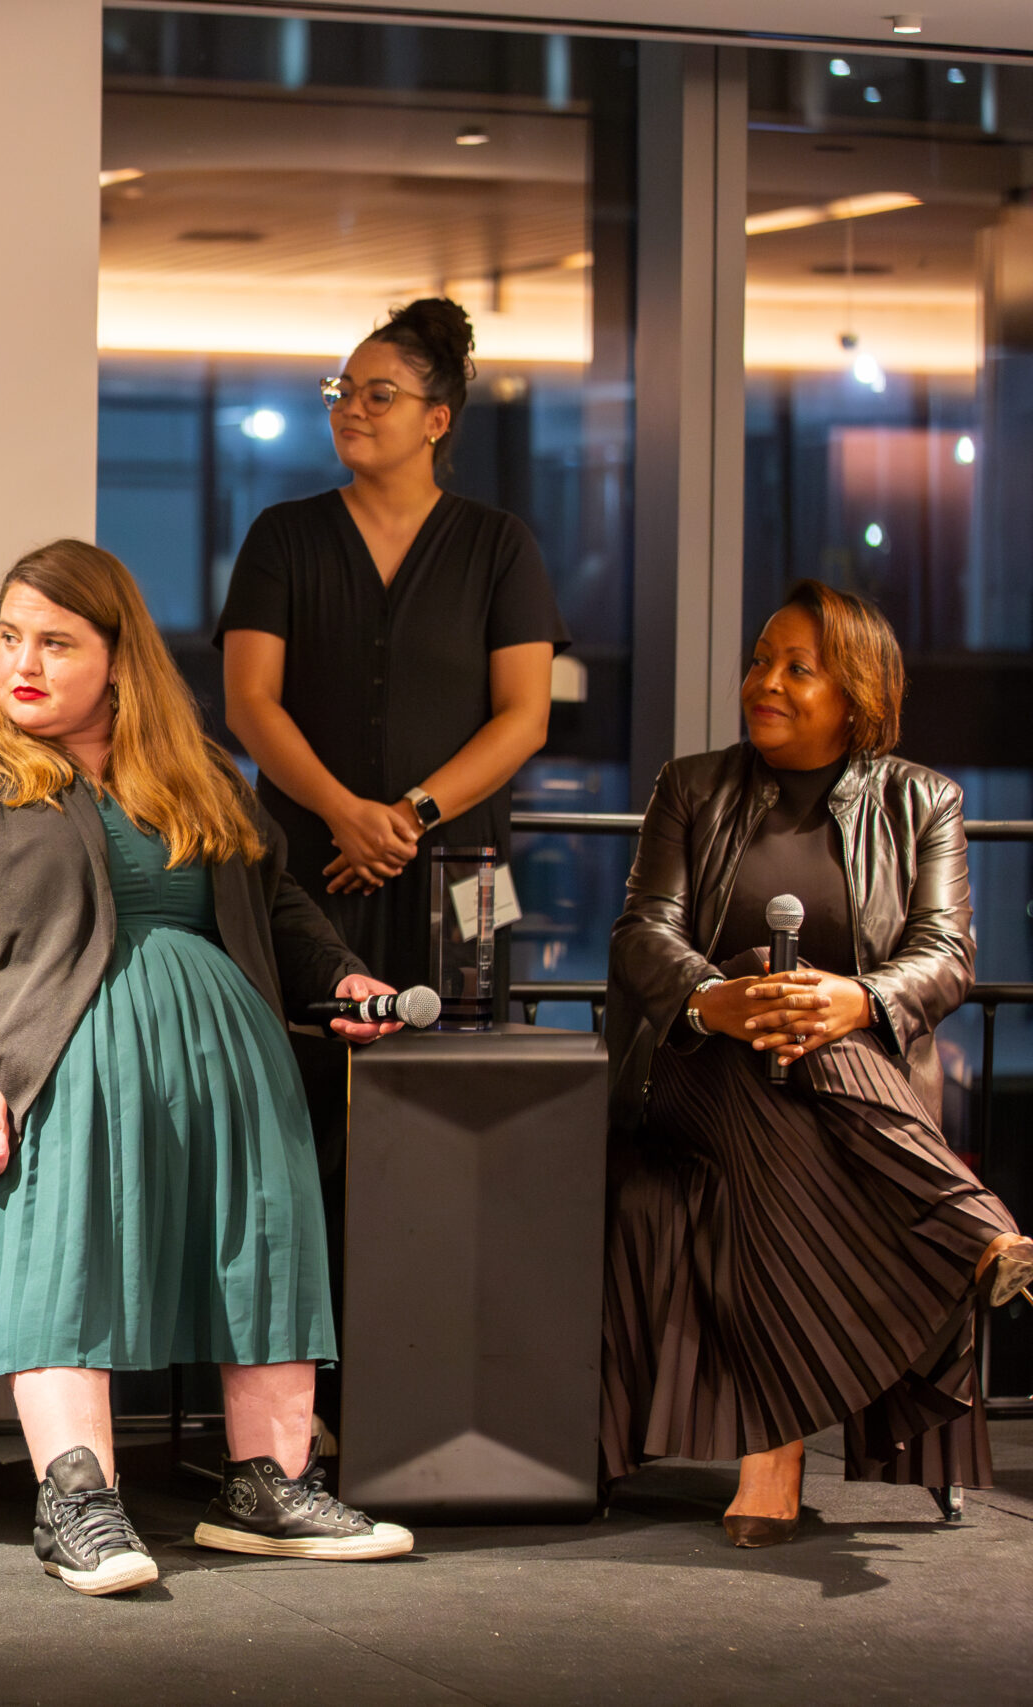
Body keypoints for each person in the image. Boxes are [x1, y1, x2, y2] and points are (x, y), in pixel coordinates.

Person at [0, 539, 416, 1596]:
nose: (23, 662)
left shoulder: (194, 769)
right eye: (11, 636)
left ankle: (267, 1488)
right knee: (62, 1257)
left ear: (119, 658)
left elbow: (277, 901)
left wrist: (343, 978)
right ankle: (78, 1500)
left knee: (259, 1248)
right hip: (54, 1059)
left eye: (56, 643)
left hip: (227, 1058)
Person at [601, 580, 1031, 1547]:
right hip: (695, 1071)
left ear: (858, 695)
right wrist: (718, 998)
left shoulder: (924, 800)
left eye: (799, 667)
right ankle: (970, 1227)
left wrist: (857, 998)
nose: (766, 681)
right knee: (766, 975)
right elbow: (643, 934)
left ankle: (776, 1449)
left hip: (831, 1089)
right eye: (761, 660)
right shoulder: (692, 785)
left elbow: (944, 953)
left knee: (803, 1032)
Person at [219, 296, 565, 997]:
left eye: (379, 396)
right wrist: (345, 814)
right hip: (313, 855)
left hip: (463, 865)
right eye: (340, 392)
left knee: (460, 1073)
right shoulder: (282, 537)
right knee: (303, 1056)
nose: (350, 409)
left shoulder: (500, 546)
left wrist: (407, 817)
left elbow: (526, 717)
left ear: (436, 421)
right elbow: (248, 702)